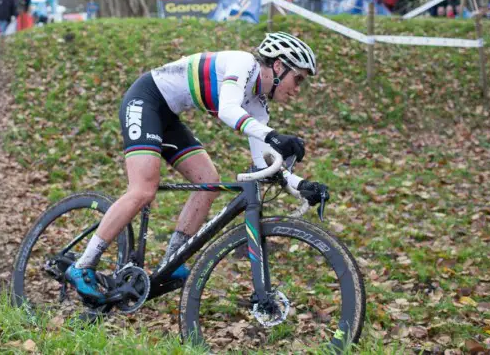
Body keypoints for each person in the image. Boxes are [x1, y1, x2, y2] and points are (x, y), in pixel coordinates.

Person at [65, 32, 330, 303]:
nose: (297, 88)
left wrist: (301, 186)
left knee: (208, 181)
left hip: (168, 116)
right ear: (278, 66)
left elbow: (264, 162)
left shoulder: (257, 104)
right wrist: (272, 135)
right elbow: (227, 109)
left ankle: (172, 260)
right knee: (143, 189)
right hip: (145, 101)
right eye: (297, 78)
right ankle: (83, 265)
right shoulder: (244, 63)